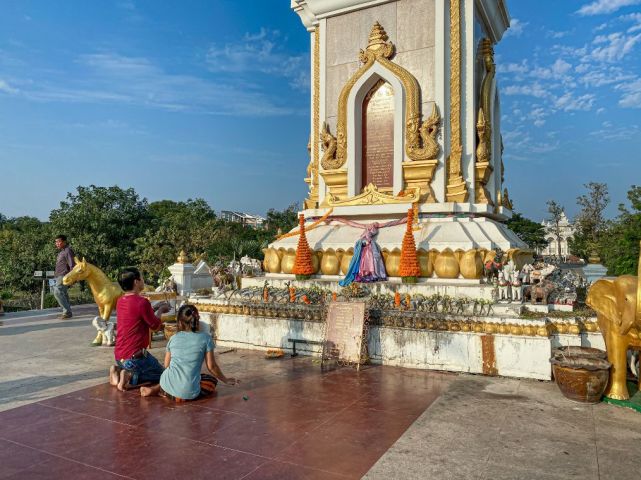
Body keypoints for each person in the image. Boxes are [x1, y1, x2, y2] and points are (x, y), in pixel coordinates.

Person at [140, 305, 238, 400]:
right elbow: (212, 367)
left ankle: (157, 389)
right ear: (197, 320)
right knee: (211, 380)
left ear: (180, 323)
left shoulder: (173, 338)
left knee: (176, 374)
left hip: (167, 387)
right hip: (188, 393)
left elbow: (166, 366)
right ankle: (175, 392)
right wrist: (226, 380)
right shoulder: (206, 338)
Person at [109, 267, 170, 391]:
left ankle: (117, 371)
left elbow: (137, 317)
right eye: (141, 278)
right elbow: (155, 326)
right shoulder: (142, 302)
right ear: (136, 282)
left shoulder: (120, 301)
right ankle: (130, 377)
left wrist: (155, 308)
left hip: (119, 356)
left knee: (152, 369)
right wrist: (161, 310)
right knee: (164, 375)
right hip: (135, 358)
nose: (143, 281)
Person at [53, 234, 76, 319]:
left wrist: (71, 278)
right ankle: (67, 312)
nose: (57, 244)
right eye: (56, 242)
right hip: (59, 275)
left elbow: (72, 265)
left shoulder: (68, 251)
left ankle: (66, 311)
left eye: (59, 241)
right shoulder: (61, 252)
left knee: (57, 291)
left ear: (64, 242)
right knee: (63, 293)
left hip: (64, 275)